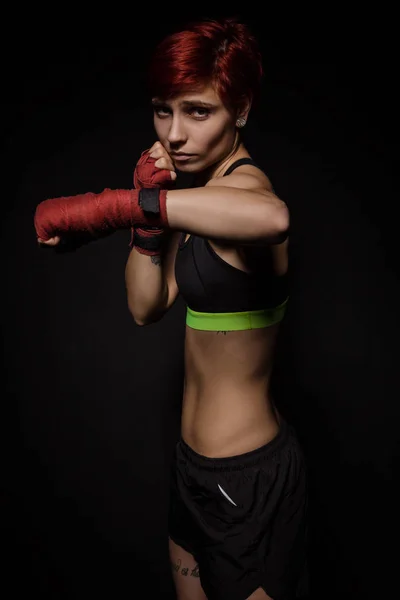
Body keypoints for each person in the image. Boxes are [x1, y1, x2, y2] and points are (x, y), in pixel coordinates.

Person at [35, 17, 308, 600]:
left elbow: (274, 218)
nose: (175, 133)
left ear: (240, 110)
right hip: (192, 468)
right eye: (164, 110)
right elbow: (146, 305)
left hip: (247, 476)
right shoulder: (193, 199)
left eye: (198, 111)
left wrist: (121, 206)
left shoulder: (246, 190)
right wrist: (145, 222)